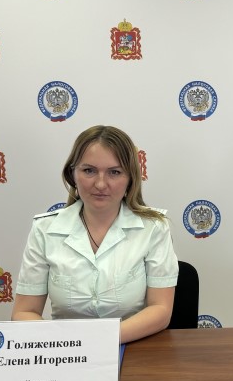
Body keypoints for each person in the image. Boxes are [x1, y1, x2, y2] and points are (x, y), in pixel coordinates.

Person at [12, 125, 179, 343]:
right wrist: (67, 344)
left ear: (131, 178)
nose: (100, 184)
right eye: (89, 171)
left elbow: (161, 310)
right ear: (73, 174)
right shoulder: (45, 229)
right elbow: (23, 312)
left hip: (131, 346)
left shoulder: (154, 228)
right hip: (66, 352)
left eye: (114, 172)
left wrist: (98, 341)